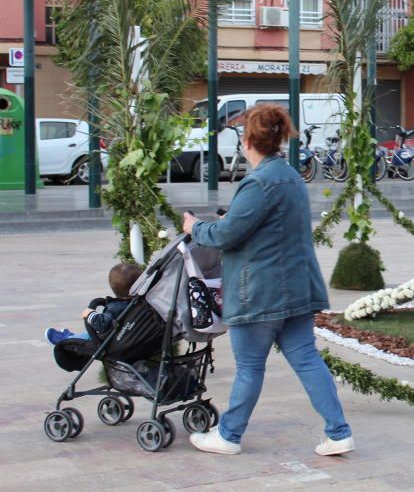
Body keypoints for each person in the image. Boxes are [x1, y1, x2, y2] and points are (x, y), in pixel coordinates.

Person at [182, 103, 353, 457]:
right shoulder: (290, 176)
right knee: (307, 358)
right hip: (298, 287)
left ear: (247, 141)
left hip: (260, 293)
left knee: (249, 366)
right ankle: (338, 432)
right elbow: (263, 226)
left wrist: (194, 227)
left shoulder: (259, 182)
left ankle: (228, 435)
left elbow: (226, 235)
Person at [45, 263, 141, 344]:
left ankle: (68, 340)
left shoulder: (116, 307)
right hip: (138, 337)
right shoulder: (142, 303)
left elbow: (102, 324)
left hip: (117, 341)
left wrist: (89, 314)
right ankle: (72, 337)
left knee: (90, 336)